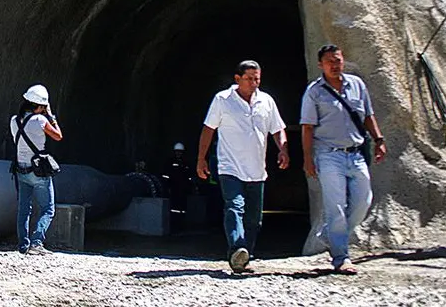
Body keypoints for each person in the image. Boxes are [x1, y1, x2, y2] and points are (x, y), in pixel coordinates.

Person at [300, 44, 387, 274]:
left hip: (356, 153)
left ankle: (330, 235)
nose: (335, 65)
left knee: (363, 201)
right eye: (329, 61)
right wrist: (308, 159)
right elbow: (307, 127)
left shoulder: (357, 85)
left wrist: (379, 139)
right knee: (335, 206)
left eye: (337, 60)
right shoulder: (314, 92)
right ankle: (341, 256)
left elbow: (368, 115)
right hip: (328, 155)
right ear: (321, 65)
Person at [196, 60, 289, 273]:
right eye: (249, 79)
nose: (254, 83)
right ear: (237, 79)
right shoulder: (222, 100)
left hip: (257, 170)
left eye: (257, 79)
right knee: (234, 206)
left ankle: (245, 256)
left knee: (254, 218)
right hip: (230, 167)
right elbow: (208, 129)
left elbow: (278, 128)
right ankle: (237, 248)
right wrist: (201, 159)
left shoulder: (266, 101)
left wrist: (283, 149)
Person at [9, 84, 63, 255]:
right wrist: (51, 117)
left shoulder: (14, 121)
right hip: (38, 171)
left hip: (20, 169)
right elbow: (58, 136)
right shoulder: (41, 120)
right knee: (48, 208)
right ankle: (37, 242)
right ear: (40, 106)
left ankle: (23, 245)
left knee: (24, 209)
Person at [162, 142, 194, 231]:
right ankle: (173, 224)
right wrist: (167, 186)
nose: (178, 153)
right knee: (173, 207)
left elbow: (189, 177)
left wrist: (190, 187)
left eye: (180, 152)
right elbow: (166, 175)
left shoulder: (186, 163)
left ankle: (181, 224)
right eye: (177, 151)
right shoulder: (170, 162)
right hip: (173, 188)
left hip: (183, 189)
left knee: (183, 207)